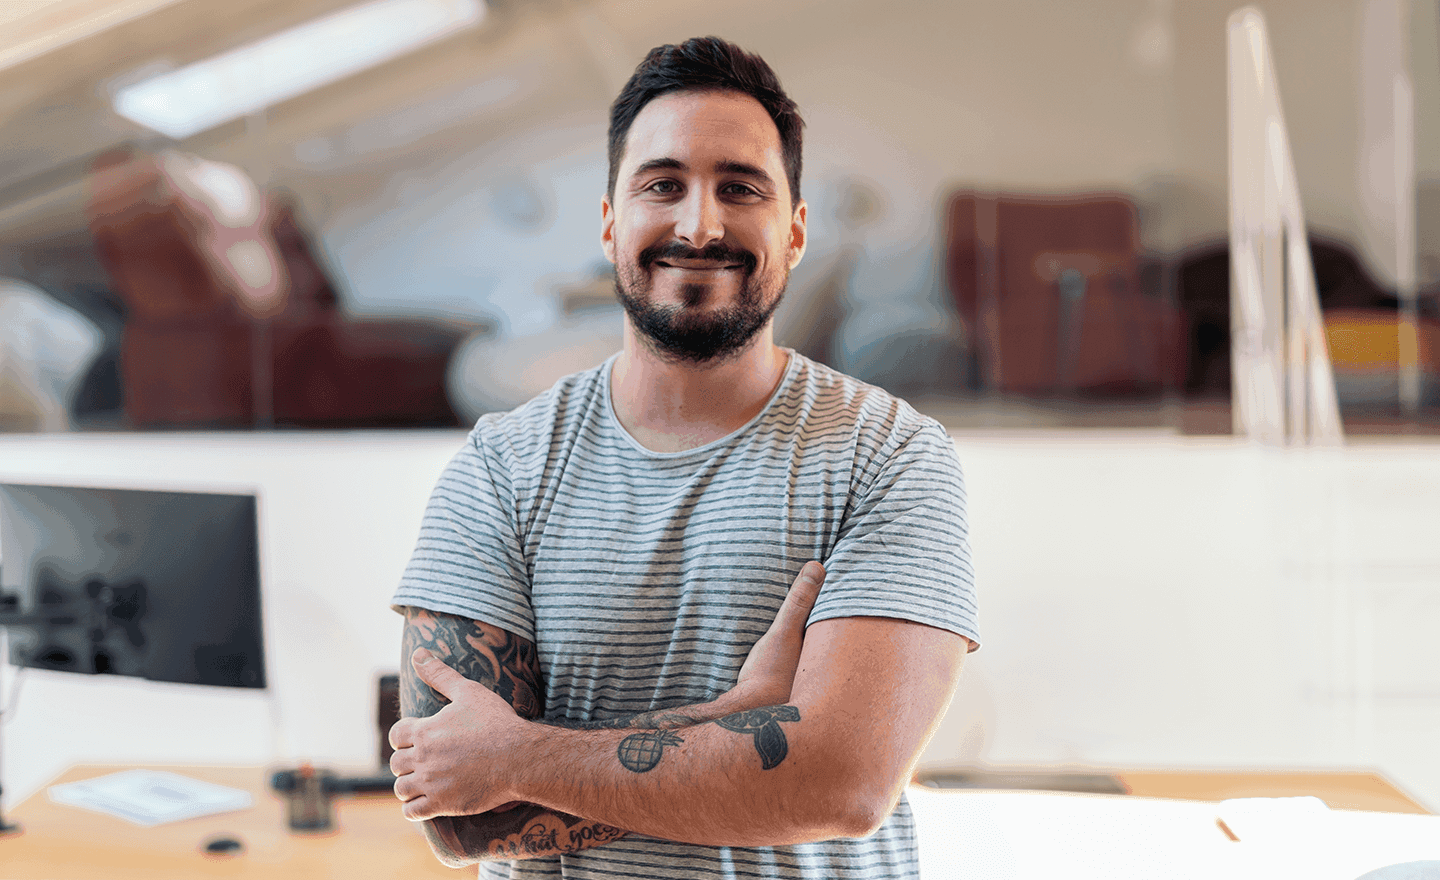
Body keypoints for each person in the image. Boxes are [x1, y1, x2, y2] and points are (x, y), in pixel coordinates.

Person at [387, 36, 979, 879]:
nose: (700, 224)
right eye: (663, 184)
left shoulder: (890, 456)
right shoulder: (502, 467)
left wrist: (515, 757)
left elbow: (844, 785)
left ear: (796, 229)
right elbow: (460, 818)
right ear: (609, 220)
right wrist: (741, 720)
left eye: (740, 188)